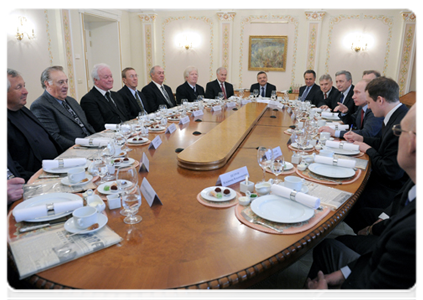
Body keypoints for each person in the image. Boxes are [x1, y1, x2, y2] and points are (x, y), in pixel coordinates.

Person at [304, 101, 420, 300]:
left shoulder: (411, 236)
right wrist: (345, 273)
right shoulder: (415, 184)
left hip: (367, 281)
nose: (395, 136)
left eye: (399, 130)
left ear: (413, 144)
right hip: (370, 261)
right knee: (328, 246)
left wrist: (320, 295)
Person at [343, 77, 409, 231]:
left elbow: (390, 171)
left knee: (350, 195)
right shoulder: (396, 114)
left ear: (380, 100)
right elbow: (383, 144)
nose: (369, 107)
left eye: (370, 103)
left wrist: (367, 148)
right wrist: (362, 138)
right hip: (386, 180)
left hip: (391, 188)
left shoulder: (399, 126)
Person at [5, 68, 62, 181]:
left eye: (24, 86)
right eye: (18, 87)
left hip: (55, 168)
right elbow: (11, 163)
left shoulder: (23, 109)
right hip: (37, 178)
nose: (25, 91)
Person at [30, 66, 95, 150]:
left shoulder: (71, 100)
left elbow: (86, 125)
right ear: (47, 84)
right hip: (73, 150)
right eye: (61, 82)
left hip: (91, 144)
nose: (66, 86)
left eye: (66, 81)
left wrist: (97, 140)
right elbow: (54, 137)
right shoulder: (40, 105)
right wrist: (81, 147)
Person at [318, 80, 383, 139]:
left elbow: (366, 133)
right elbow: (353, 122)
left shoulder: (374, 110)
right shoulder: (362, 107)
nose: (353, 96)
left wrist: (335, 133)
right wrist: (345, 113)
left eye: (357, 92)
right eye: (354, 92)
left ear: (368, 94)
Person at [80, 63, 129, 132]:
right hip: (109, 136)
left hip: (127, 133)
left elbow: (126, 117)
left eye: (111, 76)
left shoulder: (116, 95)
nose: (110, 80)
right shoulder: (88, 100)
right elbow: (99, 126)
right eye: (106, 77)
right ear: (96, 80)